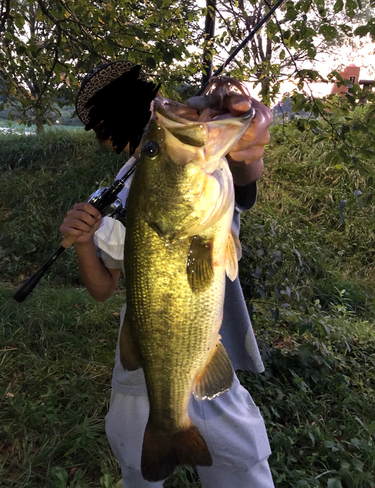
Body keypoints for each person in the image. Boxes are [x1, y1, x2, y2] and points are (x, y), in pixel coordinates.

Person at [60, 85, 274, 488]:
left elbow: (245, 170)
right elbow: (103, 288)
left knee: (244, 464)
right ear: (106, 135)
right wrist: (84, 242)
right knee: (139, 470)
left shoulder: (204, 172)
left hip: (211, 350)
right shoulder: (110, 199)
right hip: (142, 368)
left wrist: (249, 147)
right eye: (106, 123)